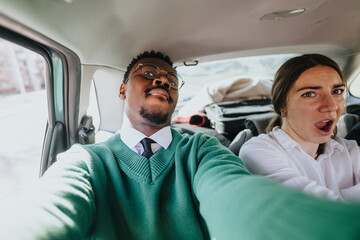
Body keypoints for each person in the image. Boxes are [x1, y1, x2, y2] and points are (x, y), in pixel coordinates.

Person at [1, 51, 360, 240]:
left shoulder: (201, 151)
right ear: (123, 89)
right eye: (147, 72)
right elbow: (49, 208)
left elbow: (241, 198)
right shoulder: (85, 161)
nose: (162, 79)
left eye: (171, 79)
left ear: (176, 95)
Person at [240, 54, 360, 202]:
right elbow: (309, 205)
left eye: (337, 91)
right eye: (310, 94)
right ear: (282, 106)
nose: (331, 106)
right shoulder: (257, 151)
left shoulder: (350, 150)